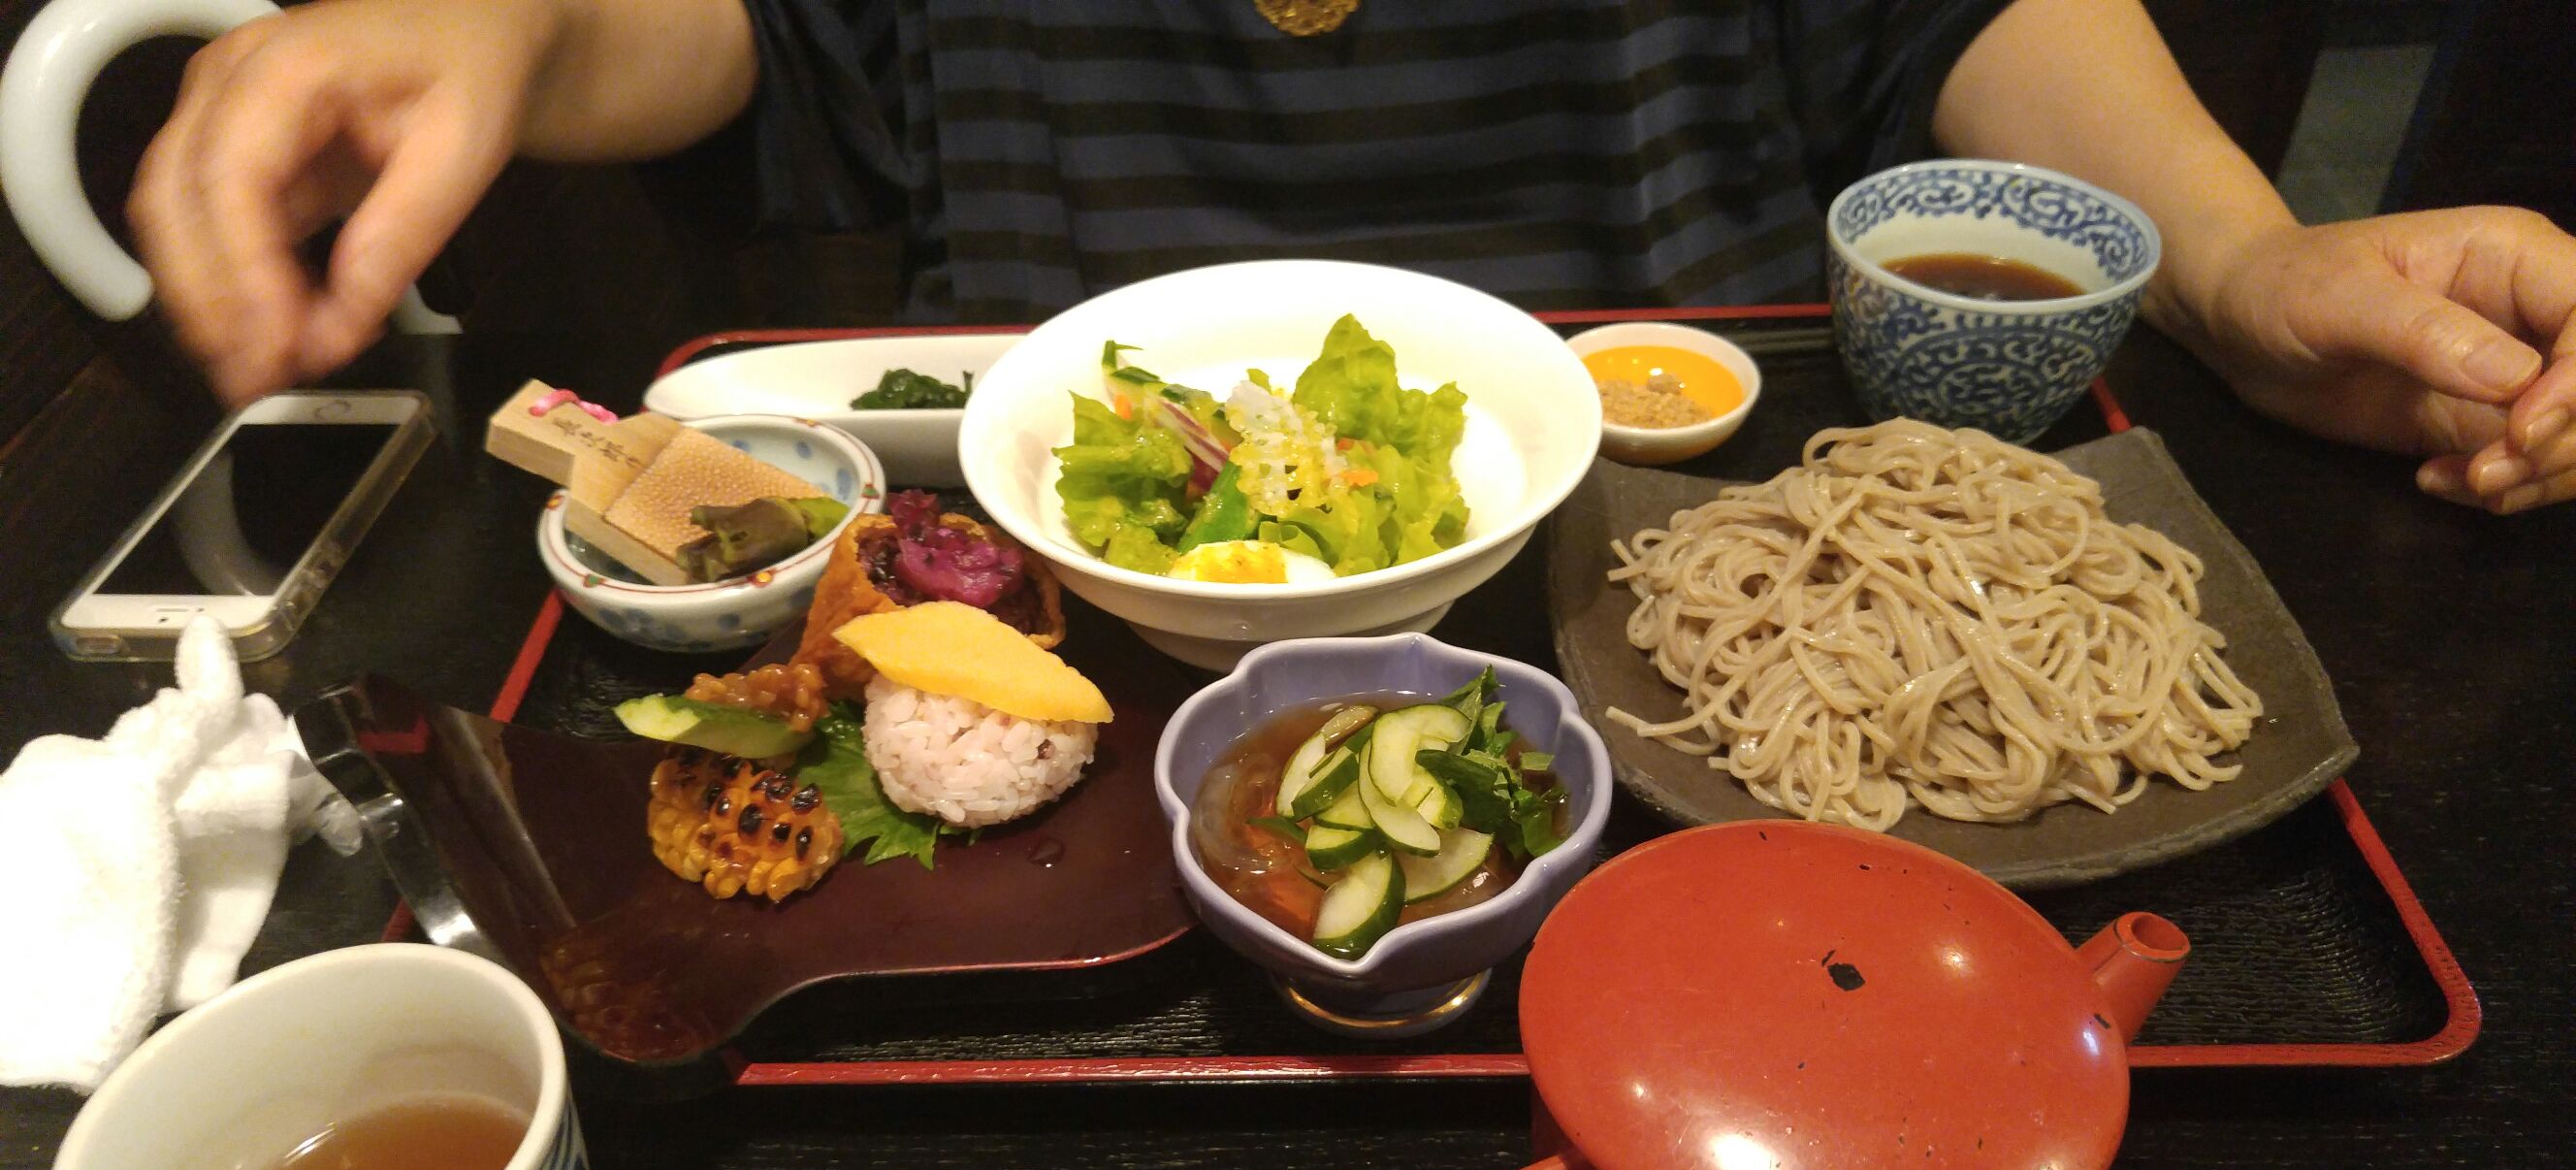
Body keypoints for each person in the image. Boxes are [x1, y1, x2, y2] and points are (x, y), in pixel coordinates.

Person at [128, 0, 2576, 512]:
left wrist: (2238, 272)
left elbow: (1972, 16)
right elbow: (729, 27)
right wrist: (506, 16)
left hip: (1716, 528)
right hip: (1077, 547)